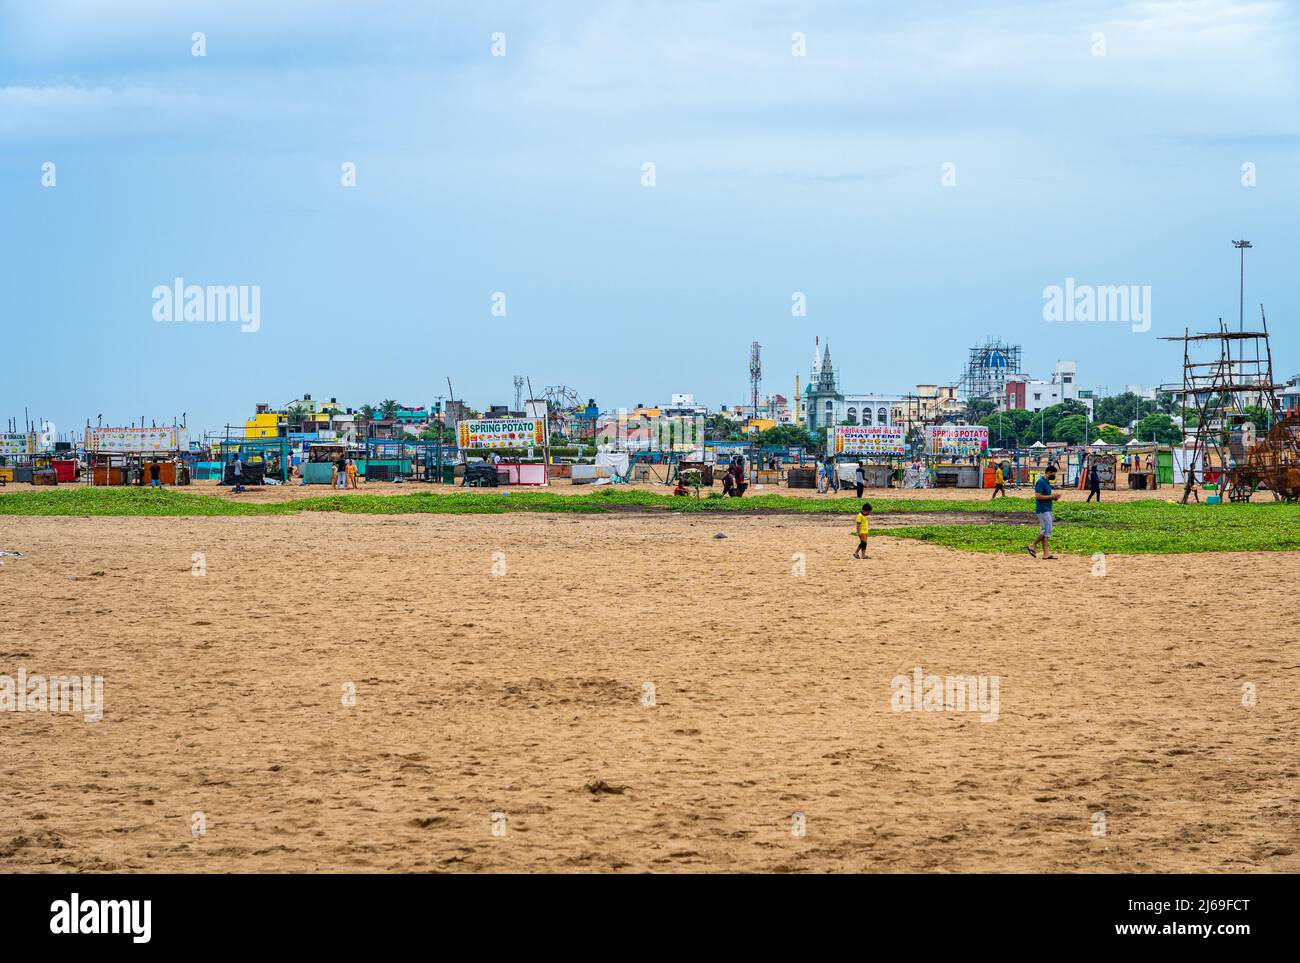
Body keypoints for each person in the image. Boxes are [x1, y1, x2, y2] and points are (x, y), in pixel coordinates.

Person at [1026, 465, 1061, 559]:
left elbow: (1046, 496)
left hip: (1047, 508)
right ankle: (1032, 545)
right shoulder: (1040, 482)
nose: (1054, 476)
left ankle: (1046, 553)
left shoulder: (1047, 482)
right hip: (1042, 509)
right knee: (1046, 530)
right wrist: (1052, 497)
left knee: (1046, 531)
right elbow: (1038, 496)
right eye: (1053, 474)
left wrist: (1054, 498)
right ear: (1049, 472)